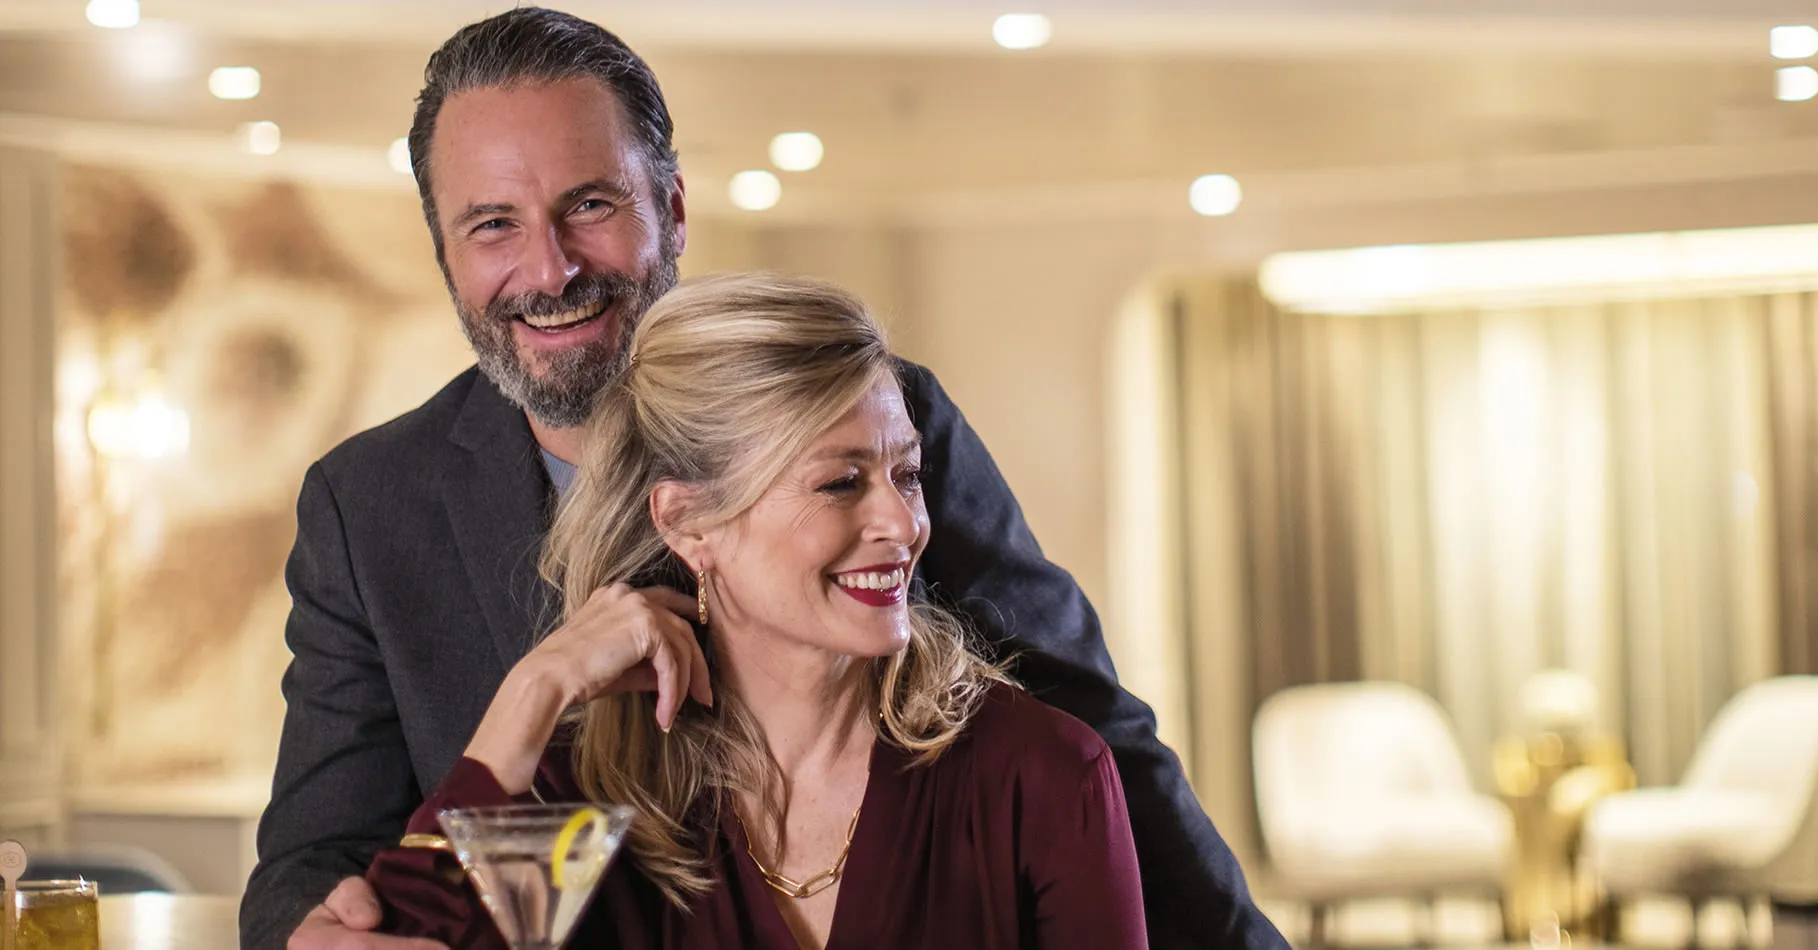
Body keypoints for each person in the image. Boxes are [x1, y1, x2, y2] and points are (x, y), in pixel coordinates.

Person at [240, 7, 1287, 950]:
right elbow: (311, 853)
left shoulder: (880, 418)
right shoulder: (366, 505)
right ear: (444, 255)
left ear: (674, 209)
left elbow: (1093, 747)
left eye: (590, 203)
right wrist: (311, 933)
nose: (551, 268)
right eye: (493, 225)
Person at [361, 272, 1149, 948]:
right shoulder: (589, 807)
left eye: (906, 476)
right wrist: (535, 692)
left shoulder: (1040, 774)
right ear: (687, 522)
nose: (903, 525)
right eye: (840, 482)